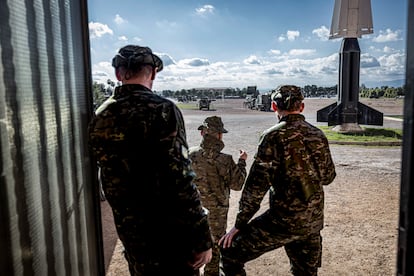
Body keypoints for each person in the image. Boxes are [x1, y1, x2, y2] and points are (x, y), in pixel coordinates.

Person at [88, 44, 213, 276]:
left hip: (131, 233)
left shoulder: (101, 115)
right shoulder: (163, 110)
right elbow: (181, 178)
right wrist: (202, 237)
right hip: (169, 235)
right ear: (153, 73)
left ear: (117, 74)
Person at [219, 85, 336, 276]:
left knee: (229, 252)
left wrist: (239, 225)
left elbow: (256, 188)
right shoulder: (318, 135)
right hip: (312, 222)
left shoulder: (272, 136)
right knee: (305, 272)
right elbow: (328, 177)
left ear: (274, 106)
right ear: (302, 106)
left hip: (283, 221)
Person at [189, 116, 247, 276]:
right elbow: (238, 184)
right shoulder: (225, 160)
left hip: (194, 208)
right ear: (219, 135)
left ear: (203, 134)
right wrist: (242, 162)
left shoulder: (191, 154)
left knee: (192, 245)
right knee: (215, 247)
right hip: (217, 212)